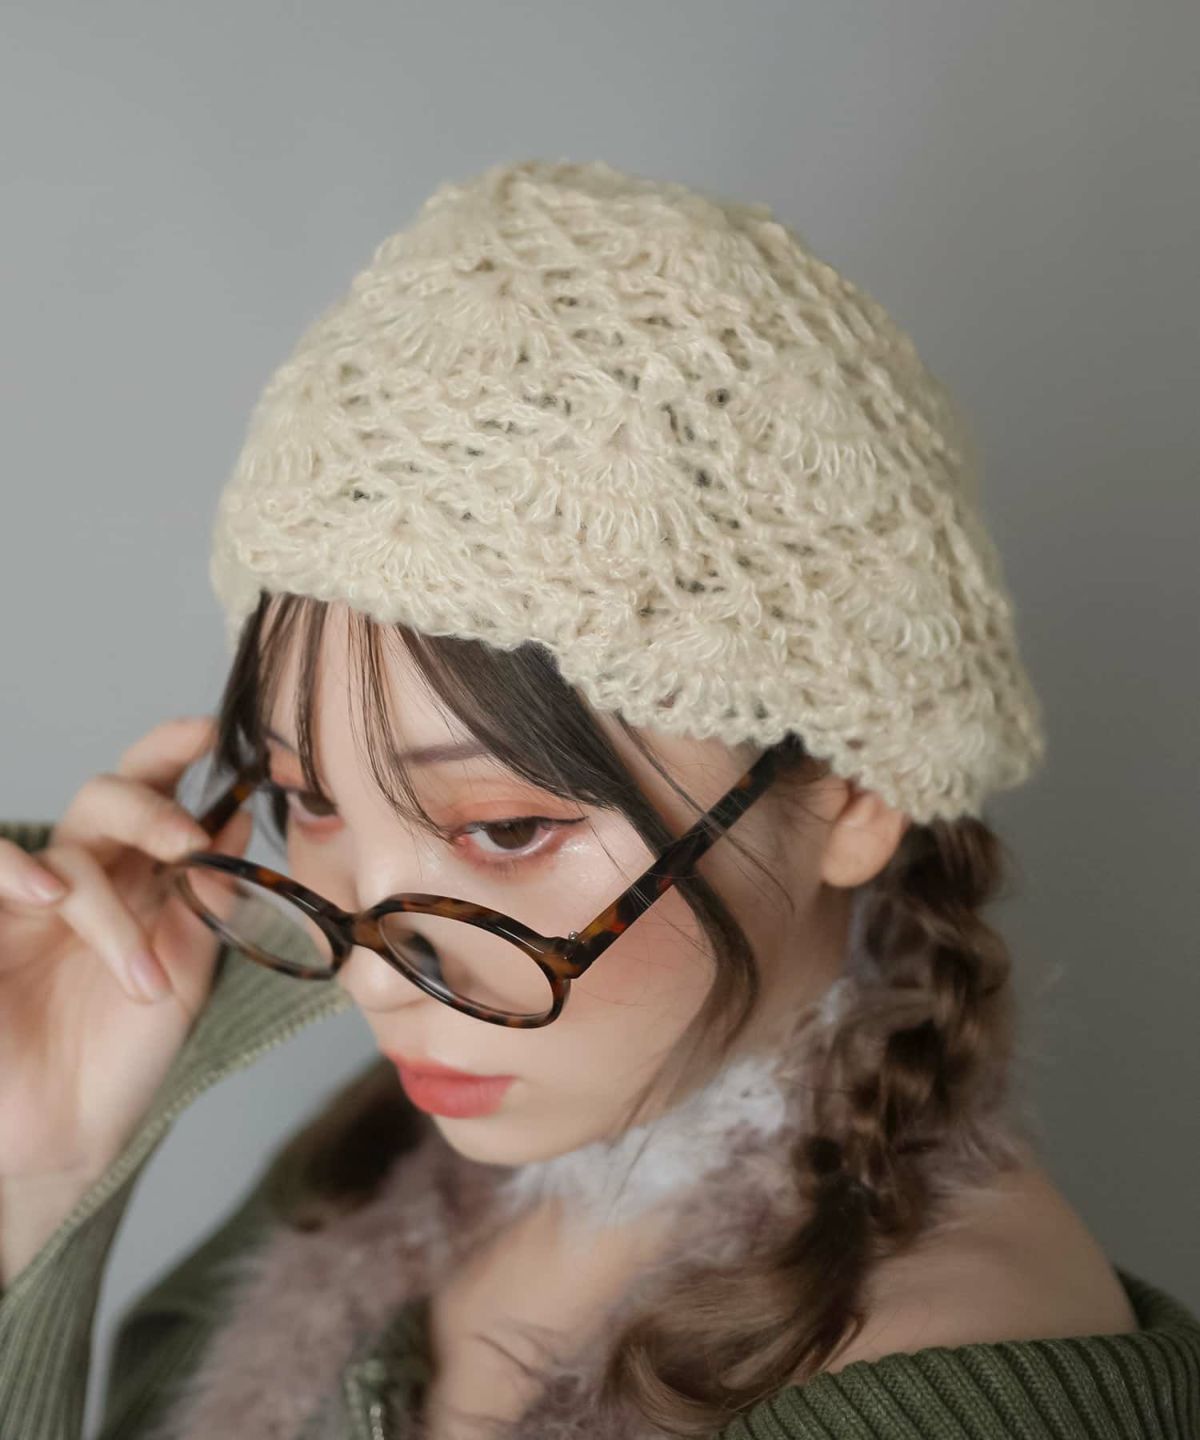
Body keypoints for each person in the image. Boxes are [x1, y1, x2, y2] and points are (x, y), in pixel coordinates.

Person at [1, 158, 1196, 1440]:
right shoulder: (360, 1181)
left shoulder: (958, 1400)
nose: (371, 971)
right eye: (312, 801)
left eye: (506, 828)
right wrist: (37, 1166)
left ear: (852, 791)